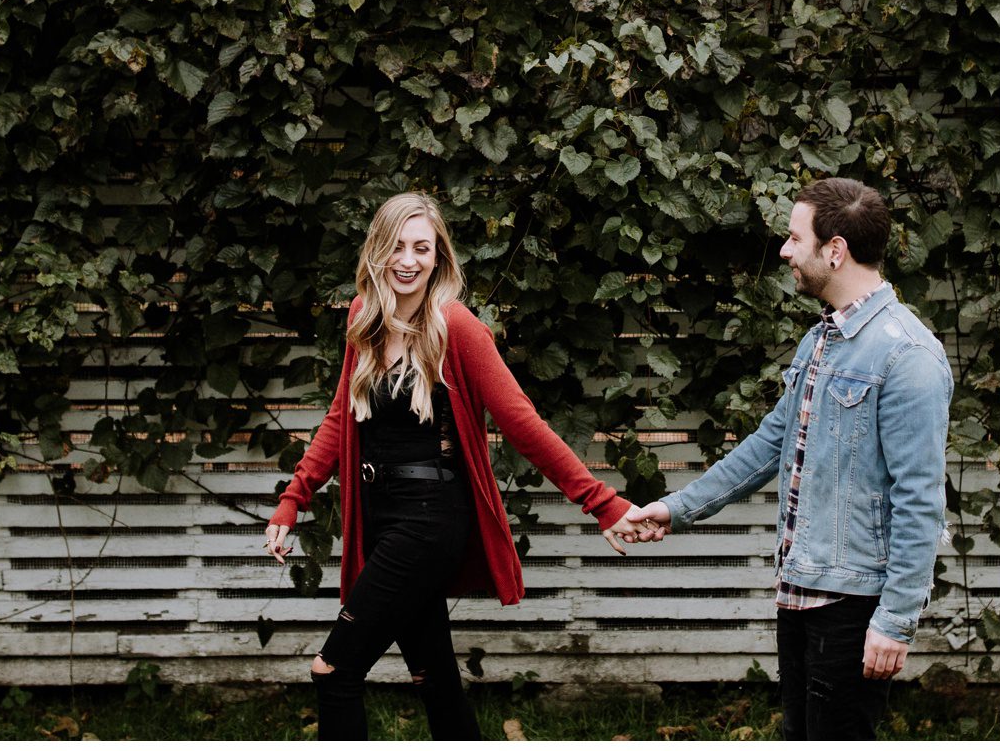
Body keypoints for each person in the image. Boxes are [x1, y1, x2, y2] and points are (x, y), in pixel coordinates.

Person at [264, 190, 641, 740]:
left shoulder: (456, 326)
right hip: (381, 514)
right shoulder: (364, 318)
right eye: (397, 247)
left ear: (438, 256)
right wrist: (293, 498)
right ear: (378, 252)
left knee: (335, 670)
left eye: (423, 248)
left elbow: (522, 423)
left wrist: (601, 503)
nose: (409, 261)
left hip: (429, 519)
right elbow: (340, 418)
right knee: (434, 676)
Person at [611, 178, 953, 740]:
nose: (786, 251)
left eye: (795, 239)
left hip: (852, 603)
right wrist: (675, 509)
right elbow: (769, 443)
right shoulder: (822, 341)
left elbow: (921, 500)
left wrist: (895, 621)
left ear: (835, 249)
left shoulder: (907, 355)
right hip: (800, 590)